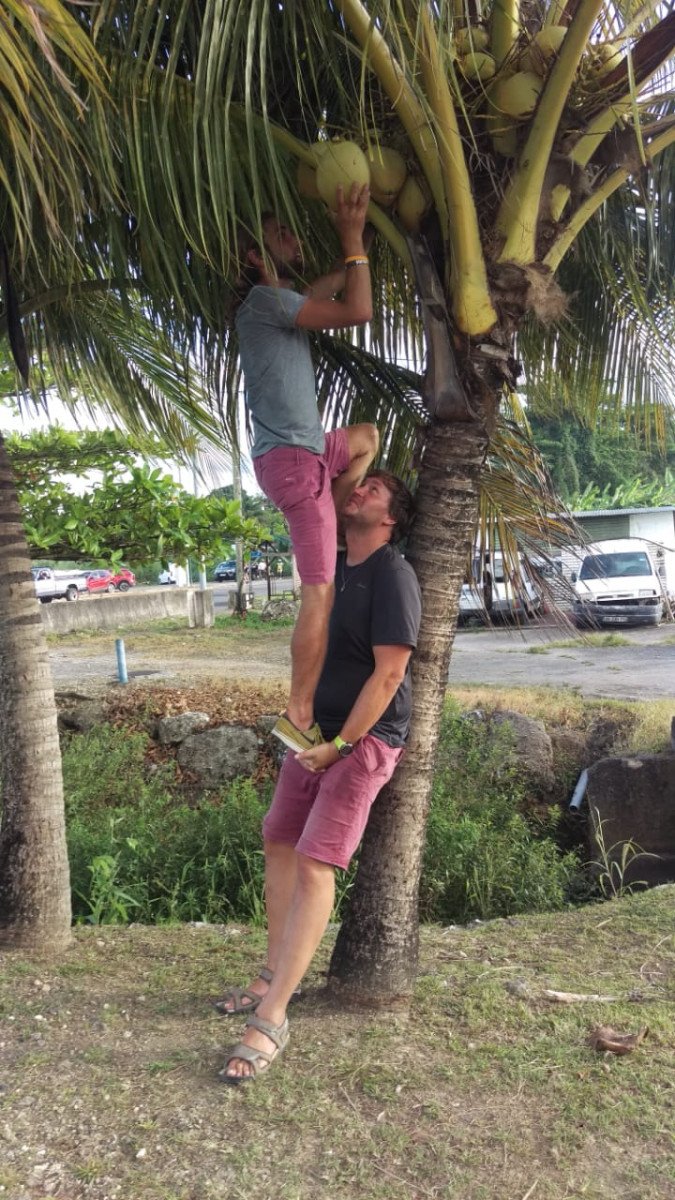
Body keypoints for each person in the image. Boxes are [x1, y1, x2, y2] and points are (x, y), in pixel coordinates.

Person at [216, 469, 422, 1085]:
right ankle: (274, 971)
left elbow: (389, 676)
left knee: (315, 862)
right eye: (360, 486)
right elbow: (326, 489)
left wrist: (343, 745)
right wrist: (316, 734)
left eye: (375, 489)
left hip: (363, 741)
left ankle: (274, 1015)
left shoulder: (392, 575)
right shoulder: (333, 562)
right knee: (278, 837)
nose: (359, 491)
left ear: (391, 517)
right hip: (313, 734)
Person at [235, 186, 379, 754]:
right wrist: (350, 239)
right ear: (255, 258)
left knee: (366, 437)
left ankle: (338, 529)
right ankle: (297, 714)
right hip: (296, 464)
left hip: (309, 453)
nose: (294, 240)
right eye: (280, 235)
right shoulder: (266, 304)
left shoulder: (281, 301)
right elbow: (357, 308)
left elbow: (332, 286)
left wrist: (359, 243)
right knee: (318, 594)